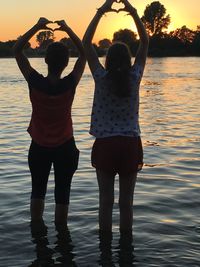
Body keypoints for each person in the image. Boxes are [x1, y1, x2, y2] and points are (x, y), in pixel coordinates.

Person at [83, 0, 149, 233]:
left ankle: (105, 250)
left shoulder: (101, 78)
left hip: (106, 144)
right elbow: (145, 42)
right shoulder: (135, 77)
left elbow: (85, 44)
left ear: (108, 60)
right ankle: (126, 249)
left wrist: (103, 10)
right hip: (130, 143)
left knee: (105, 203)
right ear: (128, 59)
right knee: (126, 205)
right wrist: (132, 11)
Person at [13, 18, 85, 224]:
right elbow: (84, 54)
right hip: (65, 147)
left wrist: (37, 26)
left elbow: (17, 51)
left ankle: (38, 238)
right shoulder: (70, 83)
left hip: (39, 147)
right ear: (66, 63)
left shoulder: (35, 82)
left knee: (38, 191)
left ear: (46, 60)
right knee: (63, 195)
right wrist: (68, 29)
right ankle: (62, 239)